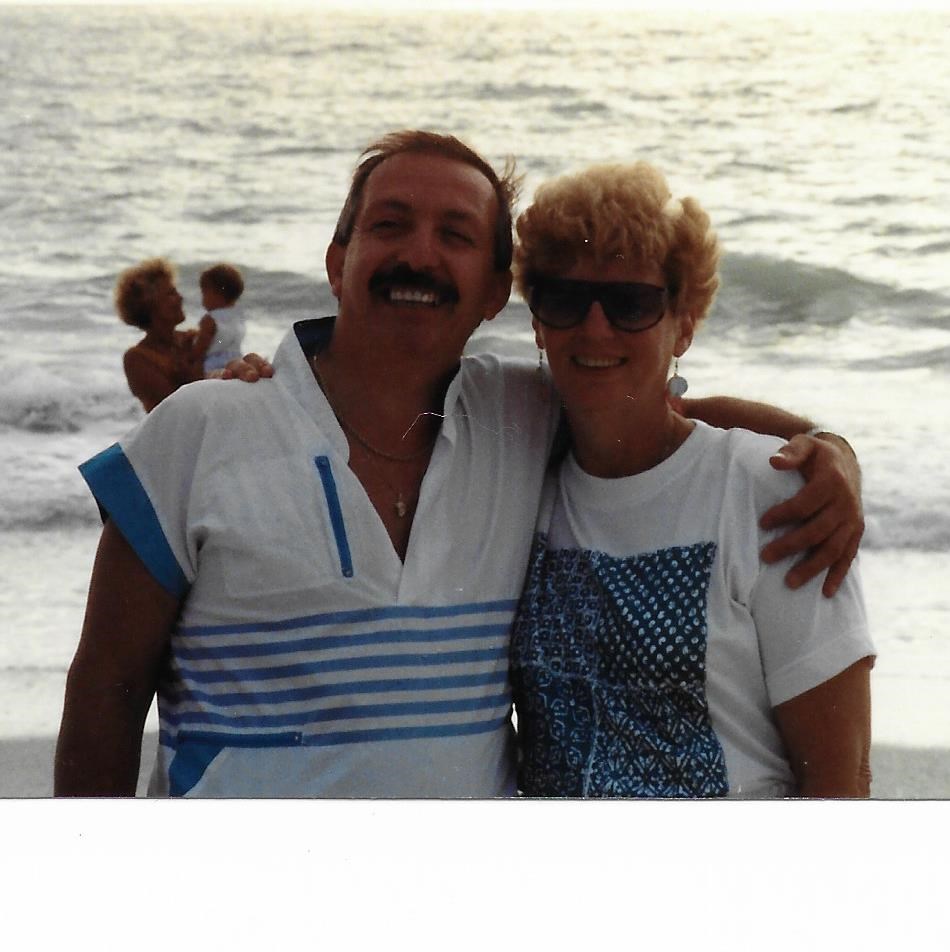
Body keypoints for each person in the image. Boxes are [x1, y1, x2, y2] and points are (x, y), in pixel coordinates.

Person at [56, 131, 864, 799]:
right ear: (337, 261)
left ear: (491, 291)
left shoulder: (517, 418)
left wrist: (830, 449)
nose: (420, 253)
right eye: (391, 224)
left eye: (456, 235)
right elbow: (105, 690)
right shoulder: (201, 429)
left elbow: (657, 416)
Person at [509, 162, 875, 797]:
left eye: (632, 304)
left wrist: (830, 444)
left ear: (684, 323)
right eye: (566, 299)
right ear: (537, 320)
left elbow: (842, 781)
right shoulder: (513, 471)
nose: (595, 328)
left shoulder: (773, 495)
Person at [115, 258, 207, 413]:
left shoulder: (192, 339)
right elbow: (173, 408)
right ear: (148, 304)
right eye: (171, 294)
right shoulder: (137, 358)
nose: (180, 298)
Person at [196, 263, 246, 376]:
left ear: (216, 294)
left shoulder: (210, 319)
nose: (203, 298)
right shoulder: (238, 317)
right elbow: (223, 340)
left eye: (204, 293)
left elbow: (200, 350)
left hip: (212, 366)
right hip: (236, 361)